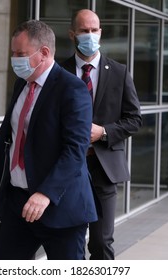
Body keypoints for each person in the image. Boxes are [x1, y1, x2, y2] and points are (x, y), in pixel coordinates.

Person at [0, 19, 98, 260]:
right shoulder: (21, 84)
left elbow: (75, 150)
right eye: (13, 53)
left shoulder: (72, 89)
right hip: (18, 205)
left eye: (21, 54)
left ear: (44, 53)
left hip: (60, 208)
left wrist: (45, 193)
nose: (15, 59)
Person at [61, 9, 142, 260]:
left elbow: (134, 120)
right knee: (68, 244)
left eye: (94, 30)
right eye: (84, 31)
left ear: (101, 33)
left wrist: (104, 132)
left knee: (101, 243)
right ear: (72, 34)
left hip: (103, 169)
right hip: (67, 168)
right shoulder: (58, 72)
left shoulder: (118, 72)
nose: (90, 35)